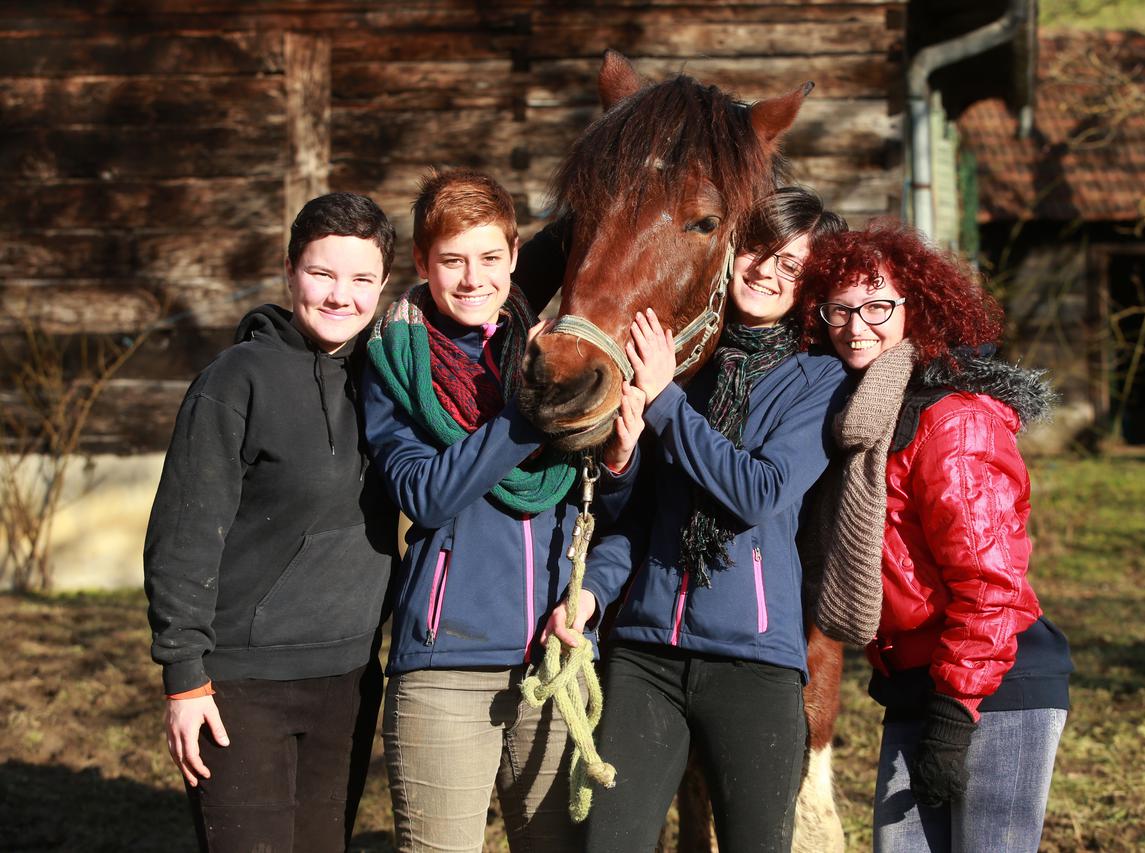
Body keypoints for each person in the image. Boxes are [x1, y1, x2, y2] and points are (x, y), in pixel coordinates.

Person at [553, 186, 850, 852]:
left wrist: (662, 406)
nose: (768, 271)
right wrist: (624, 466)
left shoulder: (818, 382)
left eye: (792, 265)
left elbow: (757, 492)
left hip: (754, 664)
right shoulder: (684, 367)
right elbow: (636, 523)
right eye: (757, 249)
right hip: (646, 656)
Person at [360, 166, 641, 853]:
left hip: (555, 665)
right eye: (451, 260)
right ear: (423, 264)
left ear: (515, 257)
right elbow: (425, 493)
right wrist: (526, 413)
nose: (471, 278)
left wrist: (591, 596)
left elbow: (609, 521)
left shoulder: (560, 353)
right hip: (444, 671)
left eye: (490, 257)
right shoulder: (395, 362)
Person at [797, 219, 1073, 853]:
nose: (855, 324)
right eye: (839, 309)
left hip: (993, 688)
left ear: (916, 310)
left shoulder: (953, 422)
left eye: (877, 305)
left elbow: (990, 582)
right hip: (915, 684)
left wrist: (954, 712)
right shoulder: (864, 420)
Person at [144, 192, 399, 852]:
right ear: (289, 271)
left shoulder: (393, 376)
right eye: (321, 273)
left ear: (384, 286)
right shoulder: (236, 381)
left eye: (361, 279)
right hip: (239, 686)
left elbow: (481, 275)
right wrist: (184, 677)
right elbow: (184, 534)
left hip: (348, 679)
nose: (341, 295)